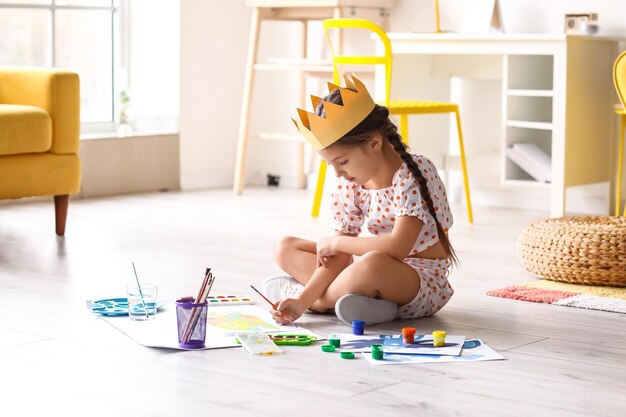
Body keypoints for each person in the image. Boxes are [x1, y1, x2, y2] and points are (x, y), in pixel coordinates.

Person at [262, 73, 457, 326]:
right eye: (330, 164)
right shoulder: (349, 184)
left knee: (372, 263)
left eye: (342, 162)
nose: (338, 173)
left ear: (374, 143)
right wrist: (302, 301)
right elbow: (337, 258)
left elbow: (397, 248)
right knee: (286, 246)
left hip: (420, 284)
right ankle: (366, 305)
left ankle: (320, 303)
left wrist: (308, 297)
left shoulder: (413, 174)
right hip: (368, 272)